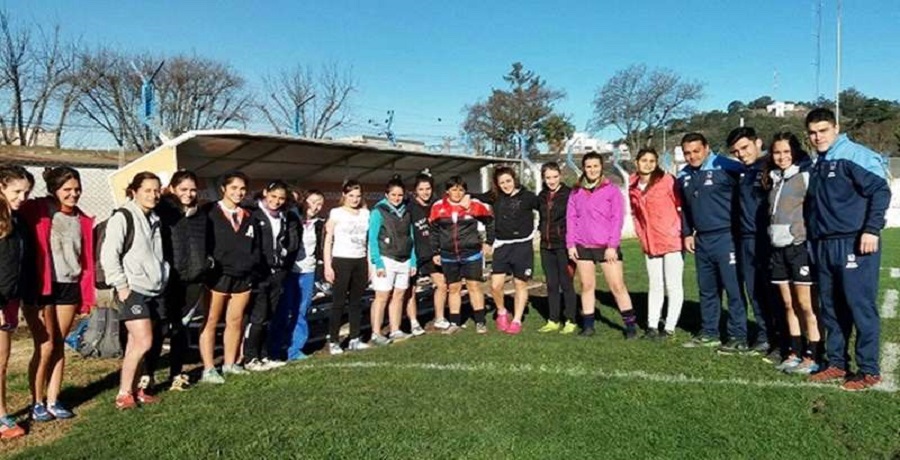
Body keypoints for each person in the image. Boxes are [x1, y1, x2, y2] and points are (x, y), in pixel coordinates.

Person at [804, 108, 891, 391]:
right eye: (813, 133)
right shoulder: (819, 162)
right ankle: (837, 363)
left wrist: (871, 229)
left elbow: (880, 191)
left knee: (859, 306)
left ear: (836, 128)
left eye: (823, 131)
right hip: (824, 245)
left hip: (854, 242)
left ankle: (869, 370)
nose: (818, 137)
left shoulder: (854, 155)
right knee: (831, 308)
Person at [20, 166, 97, 421]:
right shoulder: (37, 210)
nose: (74, 194)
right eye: (67, 189)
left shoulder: (82, 219)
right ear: (54, 190)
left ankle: (54, 399)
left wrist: (87, 296)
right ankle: (36, 401)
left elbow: (84, 259)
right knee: (46, 345)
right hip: (42, 286)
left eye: (77, 189)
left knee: (59, 345)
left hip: (69, 286)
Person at [100, 172, 169, 409]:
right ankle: (123, 393)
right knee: (143, 341)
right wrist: (121, 285)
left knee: (135, 343)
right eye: (147, 190)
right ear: (134, 191)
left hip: (154, 287)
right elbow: (109, 254)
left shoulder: (155, 219)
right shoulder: (123, 217)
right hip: (132, 288)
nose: (153, 195)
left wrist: (164, 274)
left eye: (156, 190)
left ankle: (134, 390)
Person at [676, 133, 748, 351]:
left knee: (733, 289)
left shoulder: (729, 167)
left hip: (727, 237)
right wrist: (688, 233)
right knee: (707, 290)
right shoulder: (683, 176)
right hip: (702, 240)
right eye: (687, 153)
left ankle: (739, 336)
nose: (692, 156)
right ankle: (709, 332)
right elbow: (686, 209)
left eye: (696, 151)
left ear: (707, 148)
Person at [764, 132, 820, 374]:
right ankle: (794, 352)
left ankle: (814, 354)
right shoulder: (774, 179)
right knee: (788, 304)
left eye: (786, 152)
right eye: (777, 152)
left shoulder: (805, 175)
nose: (782, 156)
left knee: (806, 305)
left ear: (794, 152)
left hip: (799, 249)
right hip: (778, 250)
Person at [566, 152, 637, 338]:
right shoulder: (576, 192)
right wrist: (570, 243)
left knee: (617, 286)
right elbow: (571, 218)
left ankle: (630, 327)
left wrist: (612, 245)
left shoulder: (612, 190)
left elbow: (617, 219)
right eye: (588, 166)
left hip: (606, 247)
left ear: (601, 167)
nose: (592, 170)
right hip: (582, 245)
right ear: (583, 168)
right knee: (587, 285)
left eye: (595, 166)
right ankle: (588, 326)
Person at [199, 171, 257, 384]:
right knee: (211, 321)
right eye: (233, 188)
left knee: (234, 321)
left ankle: (230, 363)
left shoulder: (250, 214)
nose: (238, 192)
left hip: (243, 277)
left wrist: (252, 266)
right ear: (223, 188)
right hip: (217, 277)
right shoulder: (209, 211)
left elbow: (256, 245)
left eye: (242, 189)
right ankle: (208, 368)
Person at [727, 127, 779, 357]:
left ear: (758, 142)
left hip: (768, 240)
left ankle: (784, 340)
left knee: (776, 292)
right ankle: (764, 335)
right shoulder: (741, 173)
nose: (741, 153)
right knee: (755, 291)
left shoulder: (772, 167)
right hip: (745, 241)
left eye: (744, 147)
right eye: (736, 151)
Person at [156, 170, 210, 391]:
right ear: (172, 189)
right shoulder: (162, 212)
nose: (188, 194)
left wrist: (207, 264)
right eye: (183, 189)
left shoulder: (201, 215)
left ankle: (176, 374)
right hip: (168, 279)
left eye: (192, 189)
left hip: (193, 280)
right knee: (160, 327)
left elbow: (208, 244)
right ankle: (147, 374)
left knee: (181, 328)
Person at [628, 148, 684, 340]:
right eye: (644, 160)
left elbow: (680, 205)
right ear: (637, 162)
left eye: (652, 160)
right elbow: (635, 214)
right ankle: (652, 326)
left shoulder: (667, 180)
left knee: (673, 285)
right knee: (655, 285)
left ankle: (669, 328)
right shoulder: (632, 185)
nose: (648, 164)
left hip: (671, 240)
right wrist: (641, 235)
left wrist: (679, 230)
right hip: (650, 242)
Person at [429, 176, 494, 334]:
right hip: (448, 255)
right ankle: (455, 322)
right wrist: (435, 251)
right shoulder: (438, 206)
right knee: (454, 288)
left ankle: (480, 321)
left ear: (465, 191)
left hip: (471, 253)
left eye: (460, 190)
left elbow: (490, 222)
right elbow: (433, 231)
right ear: (447, 191)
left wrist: (488, 242)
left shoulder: (474, 205)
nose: (457, 193)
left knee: (474, 286)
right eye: (453, 189)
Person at [480, 166, 539, 335]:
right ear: (497, 185)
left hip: (523, 246)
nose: (506, 185)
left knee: (520, 283)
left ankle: (517, 319)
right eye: (502, 183)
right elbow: (474, 197)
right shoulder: (495, 197)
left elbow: (545, 207)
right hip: (502, 246)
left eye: (508, 181)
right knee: (495, 285)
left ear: (514, 179)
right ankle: (502, 312)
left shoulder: (527, 196)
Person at [243, 181, 294, 371]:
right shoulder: (253, 214)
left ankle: (264, 355)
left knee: (268, 316)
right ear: (265, 193)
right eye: (273, 197)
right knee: (257, 317)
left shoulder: (283, 216)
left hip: (277, 273)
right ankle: (250, 358)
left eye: (281, 198)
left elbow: (285, 242)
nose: (276, 201)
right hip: (259, 274)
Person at [270, 189, 325, 361]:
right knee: (282, 310)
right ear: (304, 201)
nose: (315, 206)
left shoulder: (319, 224)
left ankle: (295, 349)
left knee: (301, 311)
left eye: (320, 204)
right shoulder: (290, 219)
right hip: (289, 271)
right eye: (312, 201)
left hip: (308, 271)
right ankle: (275, 349)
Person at [0, 165, 33, 439]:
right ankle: (1, 417)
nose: (22, 197)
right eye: (17, 191)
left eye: (26, 192)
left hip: (10, 299)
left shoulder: (17, 220)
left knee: (3, 359)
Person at [368, 175, 417, 345]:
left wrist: (413, 260)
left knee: (399, 295)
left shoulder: (406, 211)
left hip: (404, 259)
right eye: (393, 194)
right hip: (385, 258)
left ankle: (396, 330)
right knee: (382, 296)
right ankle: (376, 333)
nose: (397, 198)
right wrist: (377, 262)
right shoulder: (378, 211)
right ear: (386, 195)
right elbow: (372, 239)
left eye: (400, 195)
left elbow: (410, 236)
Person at [324, 180, 371, 354]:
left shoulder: (366, 213)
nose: (355, 199)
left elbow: (368, 241)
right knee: (338, 302)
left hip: (360, 260)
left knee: (356, 302)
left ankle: (354, 338)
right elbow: (328, 240)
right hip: (341, 260)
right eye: (351, 195)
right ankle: (334, 341)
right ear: (344, 195)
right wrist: (328, 265)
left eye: (358, 196)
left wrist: (370, 264)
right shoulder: (336, 213)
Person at [537, 162, 577, 334]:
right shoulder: (542, 195)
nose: (551, 181)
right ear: (543, 179)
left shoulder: (570, 194)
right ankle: (553, 319)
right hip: (546, 246)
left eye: (554, 177)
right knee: (552, 284)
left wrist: (573, 243)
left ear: (560, 176)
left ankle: (571, 319)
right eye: (548, 178)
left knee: (566, 283)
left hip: (563, 245)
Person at [406, 173, 440, 333]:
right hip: (414, 253)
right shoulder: (409, 207)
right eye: (421, 189)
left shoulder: (437, 204)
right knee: (410, 289)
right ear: (415, 191)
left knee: (441, 284)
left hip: (432, 253)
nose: (425, 192)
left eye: (428, 189)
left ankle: (440, 318)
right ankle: (414, 322)